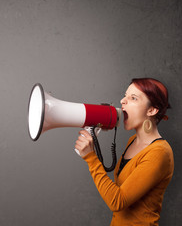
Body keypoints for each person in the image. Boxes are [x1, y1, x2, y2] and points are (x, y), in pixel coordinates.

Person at [74, 78, 174, 226]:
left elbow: (117, 201)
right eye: (125, 95)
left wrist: (91, 158)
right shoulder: (133, 141)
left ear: (152, 110)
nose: (122, 101)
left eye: (133, 98)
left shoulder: (159, 153)